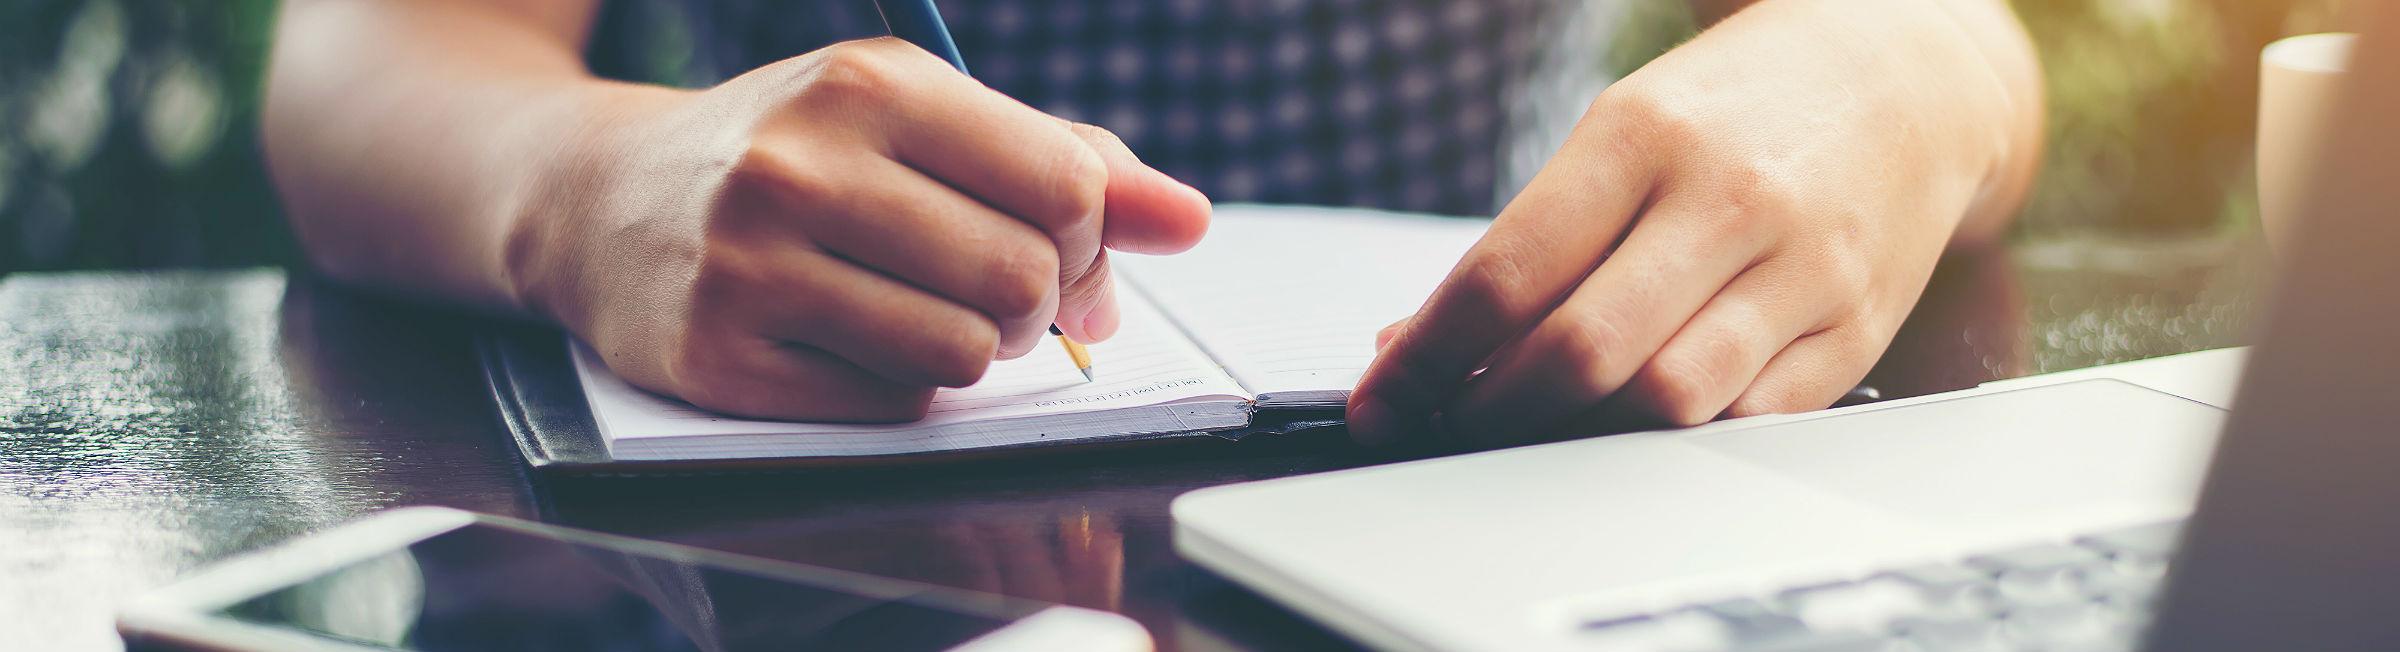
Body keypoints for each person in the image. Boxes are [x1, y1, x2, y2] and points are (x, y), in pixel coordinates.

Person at [262, 0, 2042, 446]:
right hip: (840, 519)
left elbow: (1983, 50)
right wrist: (576, 184)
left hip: (1489, 446)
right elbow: (363, 64)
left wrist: (1916, 61)